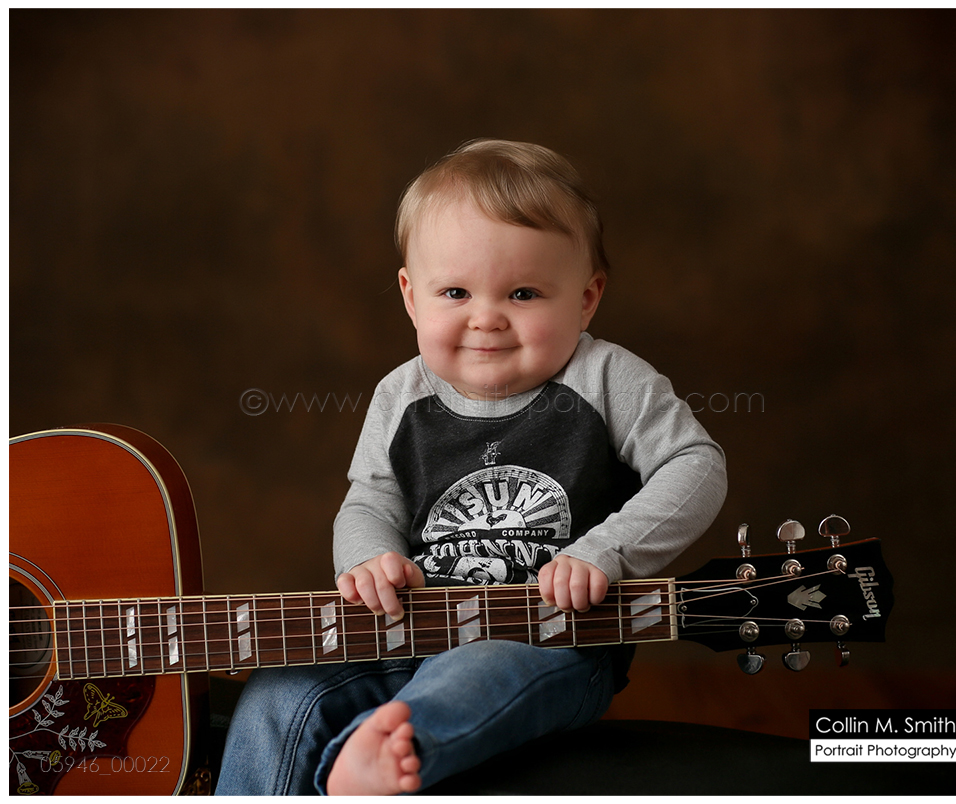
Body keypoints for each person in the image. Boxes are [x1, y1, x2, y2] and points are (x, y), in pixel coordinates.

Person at [216, 139, 727, 795]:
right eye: (455, 292)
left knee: (475, 677)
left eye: (523, 293)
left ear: (586, 298)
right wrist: (368, 558)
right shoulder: (401, 395)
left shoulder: (606, 379)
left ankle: (388, 752)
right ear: (411, 297)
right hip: (411, 629)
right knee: (280, 688)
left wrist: (606, 550)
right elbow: (369, 502)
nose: (486, 319)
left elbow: (695, 465)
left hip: (549, 637)